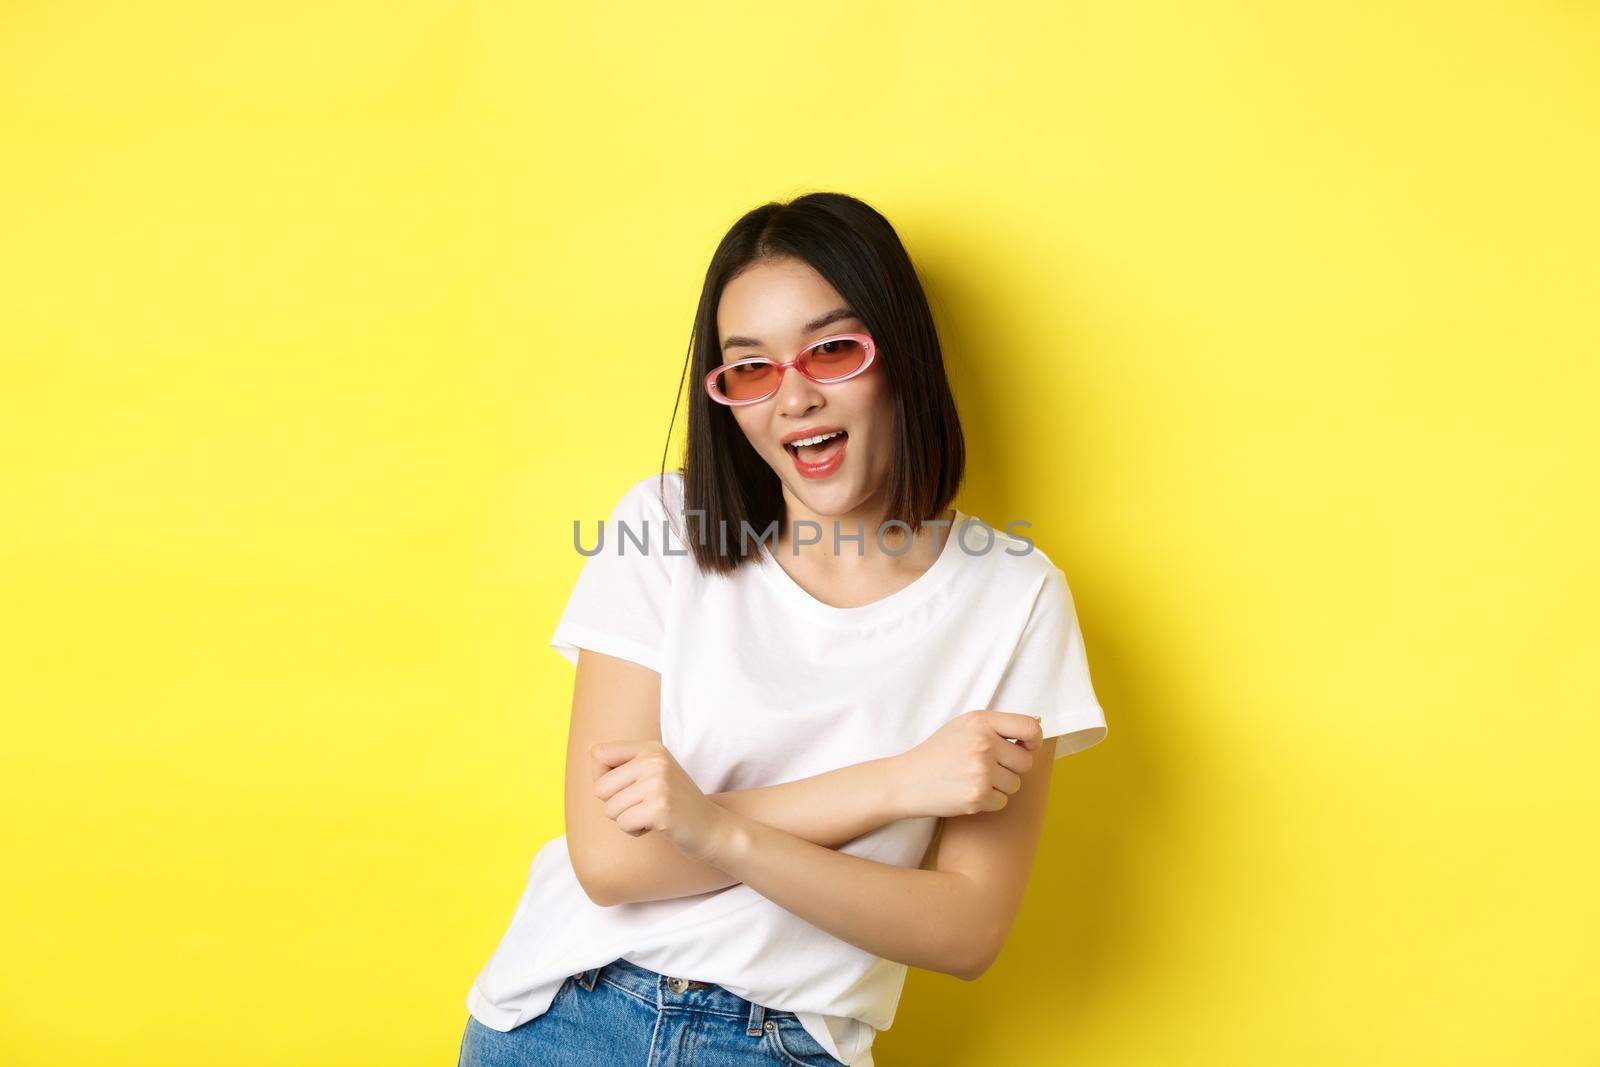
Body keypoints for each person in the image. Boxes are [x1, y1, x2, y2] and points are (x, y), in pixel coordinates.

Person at [459, 192, 1108, 1066]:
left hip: (781, 1047)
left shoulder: (1013, 598)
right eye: (751, 369)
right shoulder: (663, 527)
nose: (793, 398)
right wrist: (894, 784)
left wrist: (712, 827)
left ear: (900, 355)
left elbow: (966, 929)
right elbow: (611, 862)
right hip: (566, 1016)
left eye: (832, 349)